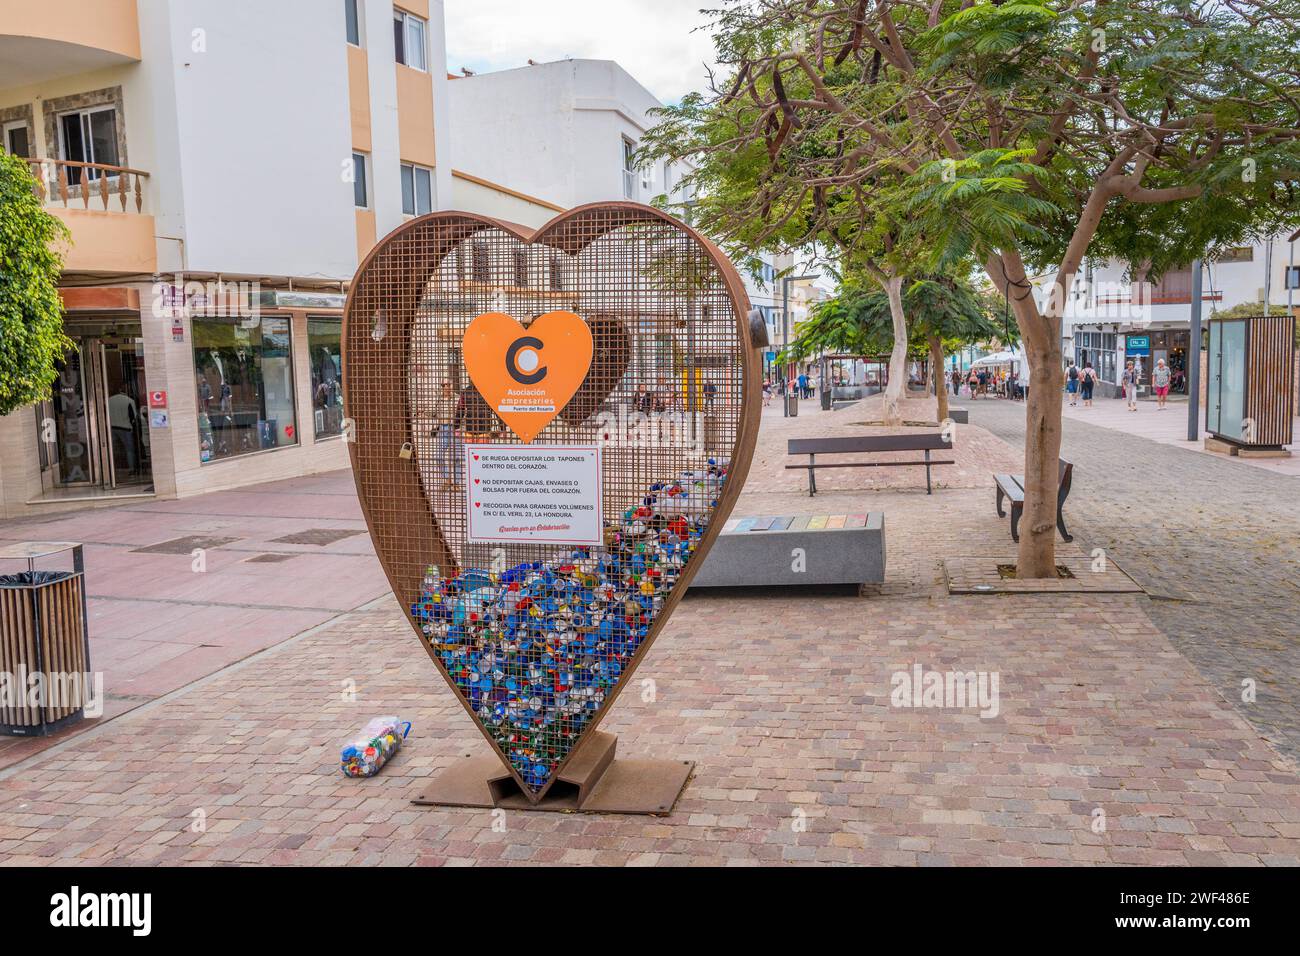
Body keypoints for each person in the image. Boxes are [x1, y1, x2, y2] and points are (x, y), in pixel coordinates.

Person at [433, 381, 463, 490]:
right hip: (443, 428)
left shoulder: (458, 398)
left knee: (456, 457)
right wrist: (422, 410)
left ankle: (457, 483)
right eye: (443, 385)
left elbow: (463, 413)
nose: (446, 387)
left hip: (454, 428)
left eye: (448, 384)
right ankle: (447, 480)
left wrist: (460, 427)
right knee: (438, 456)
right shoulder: (438, 399)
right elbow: (433, 413)